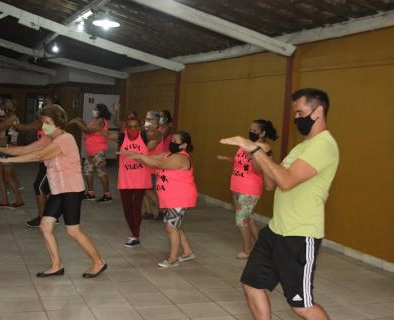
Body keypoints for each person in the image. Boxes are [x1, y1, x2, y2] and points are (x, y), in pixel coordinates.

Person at [220, 88, 339, 320]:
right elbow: (270, 184)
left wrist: (253, 148)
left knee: (301, 305)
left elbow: (286, 181)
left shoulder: (323, 145)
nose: (296, 118)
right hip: (276, 230)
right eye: (295, 113)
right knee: (251, 283)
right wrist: (262, 155)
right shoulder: (301, 147)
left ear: (319, 111)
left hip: (299, 234)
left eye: (300, 112)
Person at [0, 105, 107, 278]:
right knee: (45, 225)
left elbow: (38, 156)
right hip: (58, 191)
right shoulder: (49, 139)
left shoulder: (66, 139)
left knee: (73, 231)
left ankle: (98, 262)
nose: (44, 126)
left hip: (71, 191)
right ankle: (57, 265)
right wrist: (0, 149)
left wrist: (8, 162)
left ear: (57, 122)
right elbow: (26, 149)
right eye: (43, 122)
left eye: (47, 122)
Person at [121, 132, 197, 268]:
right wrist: (134, 154)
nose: (172, 142)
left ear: (184, 145)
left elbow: (160, 164)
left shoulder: (181, 158)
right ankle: (187, 252)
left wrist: (139, 156)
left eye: (175, 140)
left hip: (180, 198)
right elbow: (150, 158)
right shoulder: (168, 154)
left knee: (171, 227)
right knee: (175, 226)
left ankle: (172, 259)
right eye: (172, 139)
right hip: (171, 198)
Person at [217, 119, 278, 259]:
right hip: (237, 185)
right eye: (251, 130)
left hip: (249, 188)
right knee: (248, 218)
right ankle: (261, 245)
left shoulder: (264, 148)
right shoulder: (246, 145)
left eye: (255, 131)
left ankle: (247, 250)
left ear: (263, 133)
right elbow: (241, 161)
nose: (252, 133)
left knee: (242, 219)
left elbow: (258, 170)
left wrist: (253, 157)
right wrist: (230, 159)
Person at [103, 118, 152, 247]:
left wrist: (151, 127)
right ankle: (134, 232)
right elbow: (106, 134)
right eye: (130, 126)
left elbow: (158, 136)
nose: (133, 129)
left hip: (140, 179)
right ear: (126, 127)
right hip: (125, 179)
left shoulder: (145, 137)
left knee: (136, 208)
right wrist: (100, 123)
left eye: (136, 126)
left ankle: (136, 235)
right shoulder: (122, 137)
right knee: (127, 209)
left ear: (140, 127)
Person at [15, 94, 59, 228]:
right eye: (43, 103)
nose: (44, 105)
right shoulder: (46, 119)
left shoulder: (48, 120)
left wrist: (13, 123)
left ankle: (42, 218)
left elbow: (28, 127)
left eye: (47, 103)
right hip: (45, 159)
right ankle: (51, 216)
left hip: (51, 160)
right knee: (48, 188)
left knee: (39, 187)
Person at [69, 104, 112, 203]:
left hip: (98, 150)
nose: (94, 110)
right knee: (88, 171)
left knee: (101, 172)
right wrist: (80, 121)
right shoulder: (95, 120)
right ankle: (90, 193)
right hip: (90, 150)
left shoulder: (101, 121)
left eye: (96, 109)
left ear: (101, 111)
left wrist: (77, 122)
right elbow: (87, 127)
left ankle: (107, 195)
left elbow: (88, 130)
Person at [142, 111, 163, 220]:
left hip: (152, 166)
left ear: (156, 121)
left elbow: (149, 147)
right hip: (146, 164)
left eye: (150, 119)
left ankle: (162, 210)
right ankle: (148, 211)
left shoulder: (157, 132)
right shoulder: (147, 131)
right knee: (143, 189)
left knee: (147, 190)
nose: (147, 121)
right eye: (146, 119)